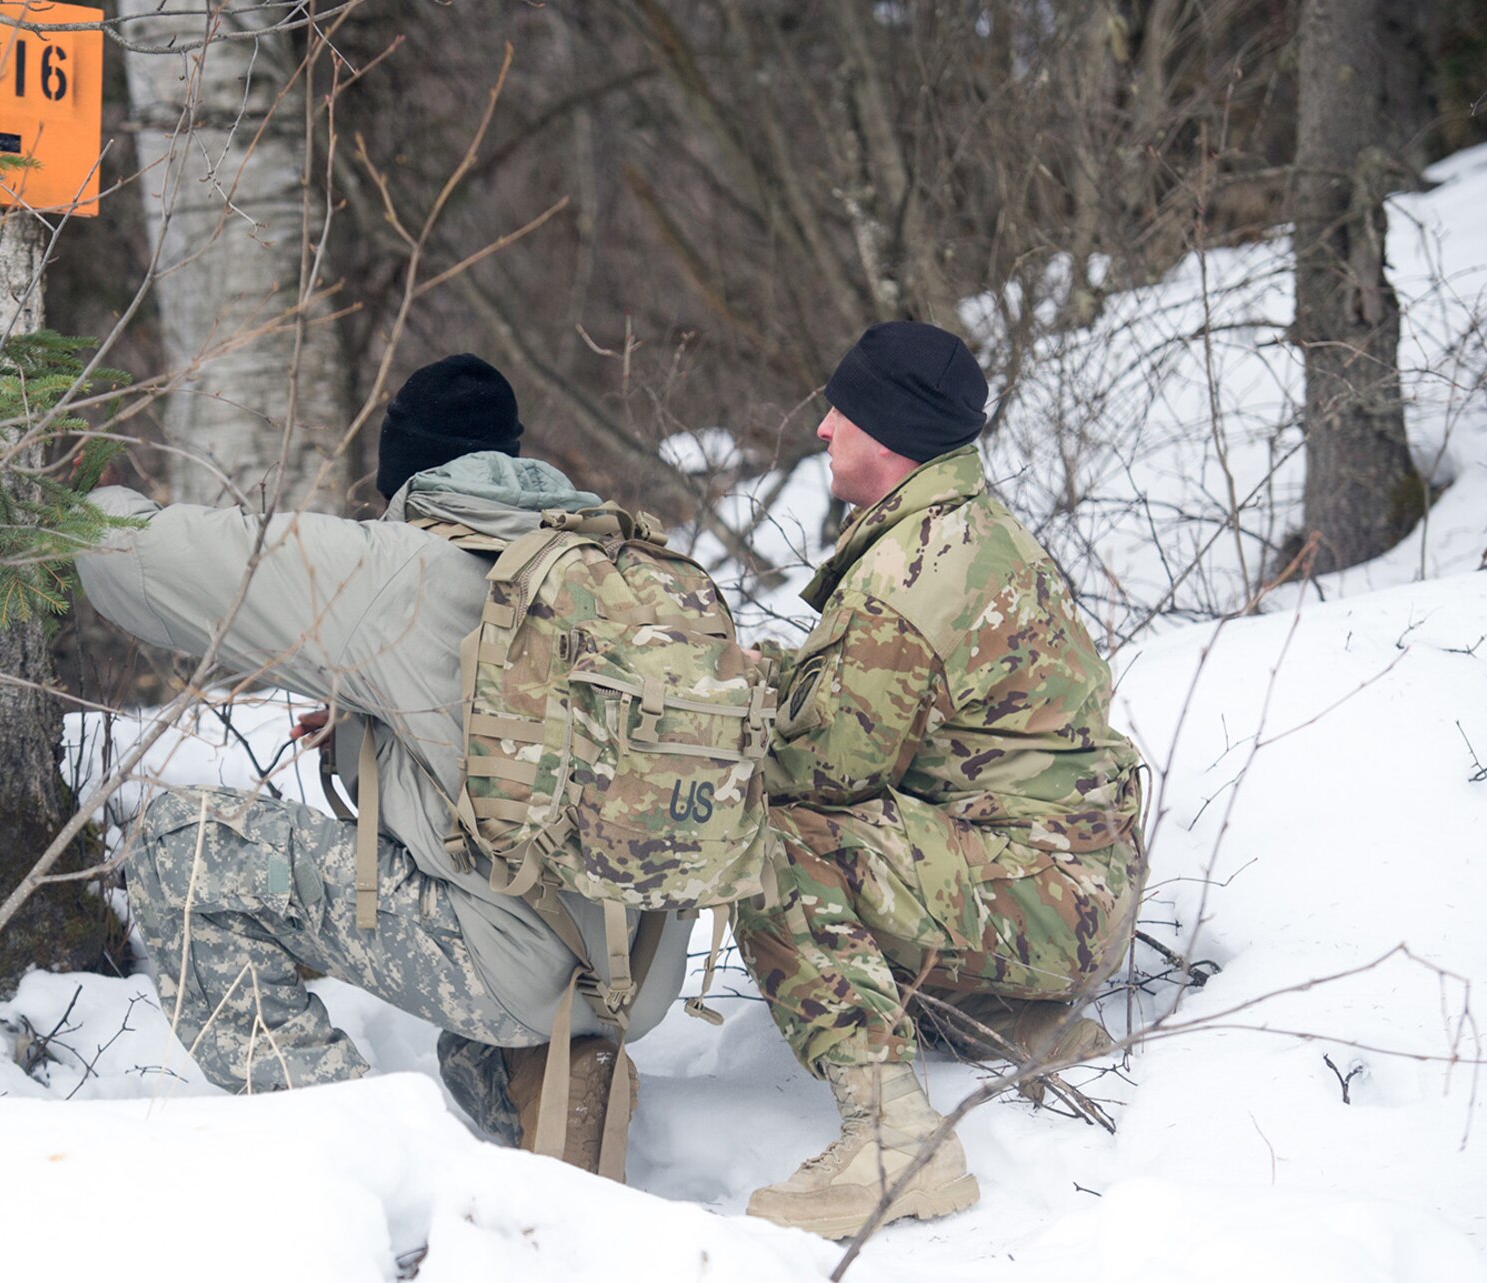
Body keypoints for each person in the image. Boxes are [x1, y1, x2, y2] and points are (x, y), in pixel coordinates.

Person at [74, 354, 688, 1171]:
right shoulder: (620, 564)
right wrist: (373, 730)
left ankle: (354, 1150)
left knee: (181, 848)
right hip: (641, 977)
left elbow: (139, 559)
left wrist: (70, 495)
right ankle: (554, 1078)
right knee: (468, 1025)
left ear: (404, 472)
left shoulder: (394, 568)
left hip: (515, 969)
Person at [737, 322, 1143, 1238]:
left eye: (840, 411)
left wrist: (712, 723)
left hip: (1044, 896)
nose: (823, 429)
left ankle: (892, 1138)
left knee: (776, 837)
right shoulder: (969, 530)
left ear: (886, 434)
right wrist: (743, 673)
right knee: (863, 830)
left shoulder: (903, 576)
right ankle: (1009, 1017)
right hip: (1072, 887)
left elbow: (821, 771)